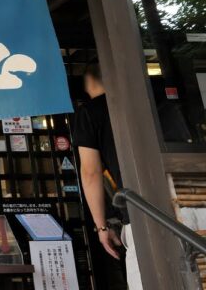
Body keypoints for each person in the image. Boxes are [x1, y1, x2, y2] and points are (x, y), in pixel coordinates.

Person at [73, 64, 143, 290]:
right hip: (186, 196)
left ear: (91, 80)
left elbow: (91, 172)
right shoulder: (150, 100)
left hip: (139, 208)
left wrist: (102, 227)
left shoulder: (91, 112)